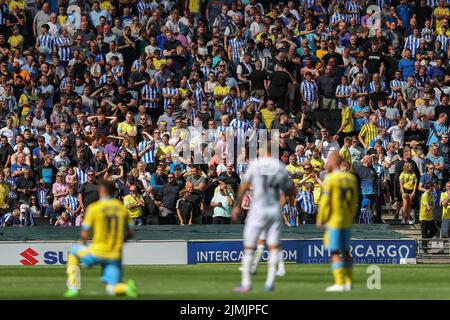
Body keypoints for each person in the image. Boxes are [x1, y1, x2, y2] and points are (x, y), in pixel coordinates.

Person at [231, 147, 292, 292]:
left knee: (249, 246)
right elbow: (288, 189)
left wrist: (237, 206)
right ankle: (270, 283)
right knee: (273, 246)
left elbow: (244, 186)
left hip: (258, 208)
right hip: (274, 209)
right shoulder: (280, 167)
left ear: (264, 151)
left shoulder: (255, 164)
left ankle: (246, 284)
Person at [64, 179, 138, 298]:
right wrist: (119, 242)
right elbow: (131, 232)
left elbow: (85, 233)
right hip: (115, 254)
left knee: (73, 252)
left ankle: (73, 288)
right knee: (111, 289)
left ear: (102, 191)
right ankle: (127, 287)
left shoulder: (94, 208)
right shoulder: (121, 207)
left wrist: (81, 244)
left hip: (97, 251)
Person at [316, 152, 358, 292]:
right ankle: (349, 281)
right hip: (347, 218)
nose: (326, 163)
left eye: (328, 160)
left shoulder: (331, 178)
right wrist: (351, 216)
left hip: (334, 219)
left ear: (334, 161)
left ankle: (339, 283)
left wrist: (321, 219)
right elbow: (354, 201)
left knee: (334, 251)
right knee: (346, 251)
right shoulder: (351, 178)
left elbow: (325, 200)